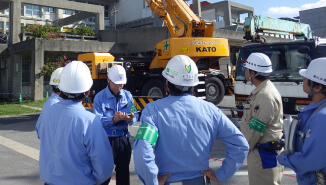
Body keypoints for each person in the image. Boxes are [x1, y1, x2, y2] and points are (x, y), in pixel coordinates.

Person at [133, 55, 249, 185]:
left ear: (167, 84)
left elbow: (142, 152)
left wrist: (152, 181)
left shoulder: (152, 111)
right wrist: (221, 175)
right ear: (194, 84)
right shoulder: (211, 110)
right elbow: (240, 145)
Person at [36, 61, 114, 185]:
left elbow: (40, 134)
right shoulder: (89, 121)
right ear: (87, 91)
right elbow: (103, 165)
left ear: (60, 87)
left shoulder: (46, 112)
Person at [278, 57, 326, 184]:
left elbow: (311, 160)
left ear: (317, 87)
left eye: (306, 78)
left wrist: (284, 158)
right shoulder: (316, 109)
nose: (302, 80)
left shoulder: (322, 117)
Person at [240, 52, 284, 185]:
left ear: (253, 73)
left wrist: (242, 149)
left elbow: (255, 130)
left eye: (246, 69)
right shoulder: (262, 91)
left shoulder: (265, 96)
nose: (245, 72)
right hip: (261, 153)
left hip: (264, 156)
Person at [93, 65, 139, 185]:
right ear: (108, 80)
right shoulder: (99, 97)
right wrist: (112, 119)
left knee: (123, 175)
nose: (119, 87)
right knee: (103, 174)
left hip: (123, 139)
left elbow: (136, 114)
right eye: (116, 84)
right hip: (106, 140)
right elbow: (97, 121)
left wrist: (130, 119)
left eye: (122, 84)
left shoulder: (128, 96)